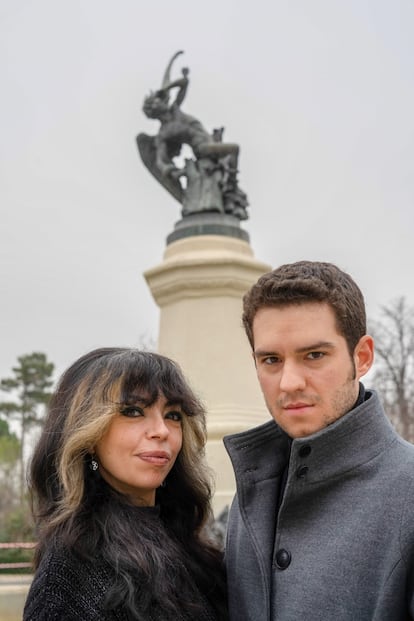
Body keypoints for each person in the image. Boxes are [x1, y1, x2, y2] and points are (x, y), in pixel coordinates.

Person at [223, 260, 414, 621]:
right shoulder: (250, 491)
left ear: (362, 357)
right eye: (271, 359)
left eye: (314, 355)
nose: (289, 382)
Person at [23, 347, 228, 621]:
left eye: (173, 415)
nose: (161, 431)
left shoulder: (193, 547)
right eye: (133, 411)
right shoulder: (69, 570)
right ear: (88, 434)